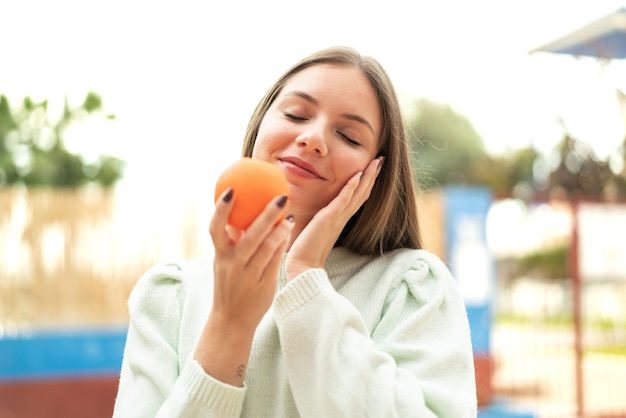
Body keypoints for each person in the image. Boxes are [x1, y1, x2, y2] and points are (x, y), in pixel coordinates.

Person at [113, 46, 477, 418]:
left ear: (376, 172)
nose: (313, 138)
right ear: (260, 124)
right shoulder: (169, 295)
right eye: (296, 114)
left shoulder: (411, 289)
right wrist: (230, 324)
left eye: (349, 137)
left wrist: (305, 277)